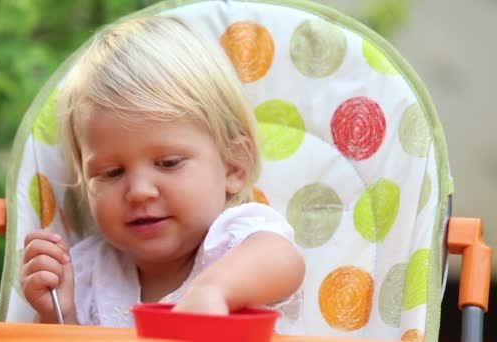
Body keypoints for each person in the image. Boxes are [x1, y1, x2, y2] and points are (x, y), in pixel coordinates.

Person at [20, 15, 305, 334]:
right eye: (112, 172)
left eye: (169, 163)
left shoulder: (235, 240)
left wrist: (213, 291)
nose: (140, 191)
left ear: (233, 166)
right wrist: (59, 313)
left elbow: (282, 260)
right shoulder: (85, 272)